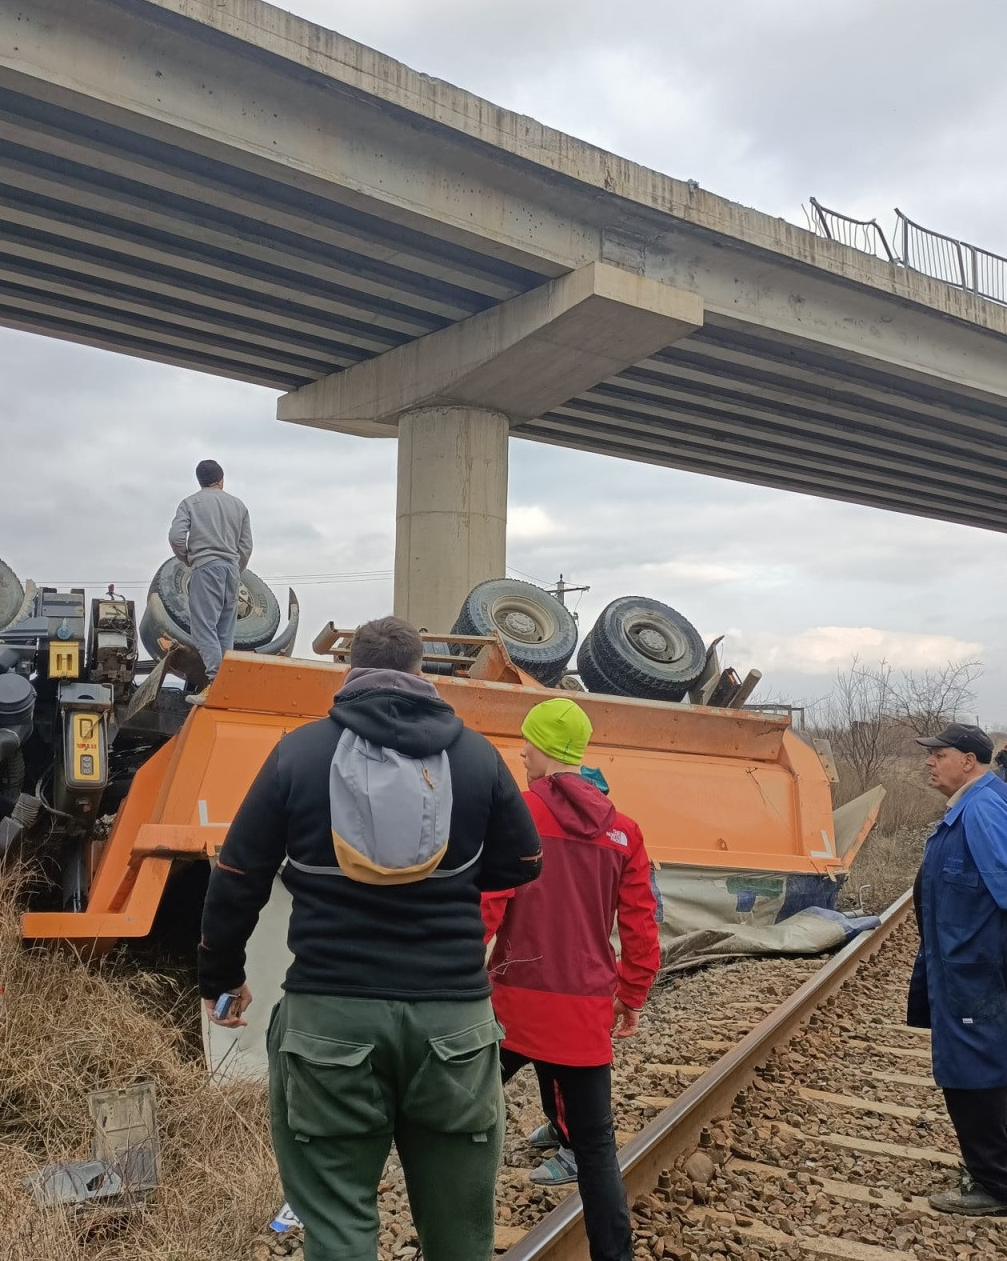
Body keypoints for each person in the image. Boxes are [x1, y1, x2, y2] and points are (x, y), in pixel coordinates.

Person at [200, 615, 544, 1261]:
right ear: (421, 674)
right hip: (452, 1027)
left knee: (335, 1224)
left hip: (329, 1020)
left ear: (348, 672)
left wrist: (220, 977)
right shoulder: (474, 758)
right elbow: (524, 864)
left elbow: (236, 878)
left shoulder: (298, 754)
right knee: (460, 1236)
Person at [481, 698, 659, 1261]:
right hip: (584, 1010)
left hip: (510, 1009)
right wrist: (630, 996)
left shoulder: (516, 815)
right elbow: (640, 928)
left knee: (456, 1121)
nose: (521, 754)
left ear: (541, 750)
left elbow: (484, 909)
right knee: (597, 1147)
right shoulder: (624, 832)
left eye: (526, 745)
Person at [906, 722, 1007, 1217]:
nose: (930, 762)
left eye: (939, 754)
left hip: (974, 968)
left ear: (968, 759)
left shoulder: (981, 809)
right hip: (967, 961)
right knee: (982, 1067)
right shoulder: (981, 801)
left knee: (969, 1074)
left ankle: (993, 1187)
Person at [168, 459, 252, 702]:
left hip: (206, 567)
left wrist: (188, 559)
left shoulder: (190, 503)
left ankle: (216, 683)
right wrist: (237, 567)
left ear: (199, 481)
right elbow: (246, 545)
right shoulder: (238, 505)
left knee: (204, 627)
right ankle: (228, 683)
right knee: (225, 630)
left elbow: (176, 536)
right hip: (232, 570)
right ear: (222, 479)